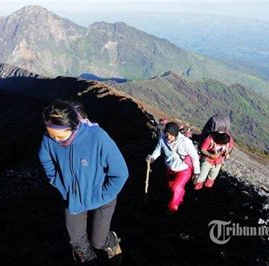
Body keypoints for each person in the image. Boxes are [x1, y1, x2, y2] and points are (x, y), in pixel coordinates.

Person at [38, 100, 129, 265]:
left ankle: (111, 242)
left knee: (98, 241)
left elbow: (120, 174)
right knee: (77, 242)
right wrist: (59, 184)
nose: (56, 139)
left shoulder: (97, 137)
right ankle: (88, 260)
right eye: (51, 134)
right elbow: (45, 159)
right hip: (73, 198)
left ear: (73, 126)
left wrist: (102, 195)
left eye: (60, 135)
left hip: (102, 199)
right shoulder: (48, 139)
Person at [146, 122, 200, 213]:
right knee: (171, 188)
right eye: (167, 134)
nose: (168, 137)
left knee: (176, 187)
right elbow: (158, 150)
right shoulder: (163, 140)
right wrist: (152, 158)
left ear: (176, 134)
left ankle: (173, 208)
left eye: (171, 135)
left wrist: (197, 172)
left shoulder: (185, 142)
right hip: (170, 168)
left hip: (184, 169)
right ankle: (179, 198)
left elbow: (194, 156)